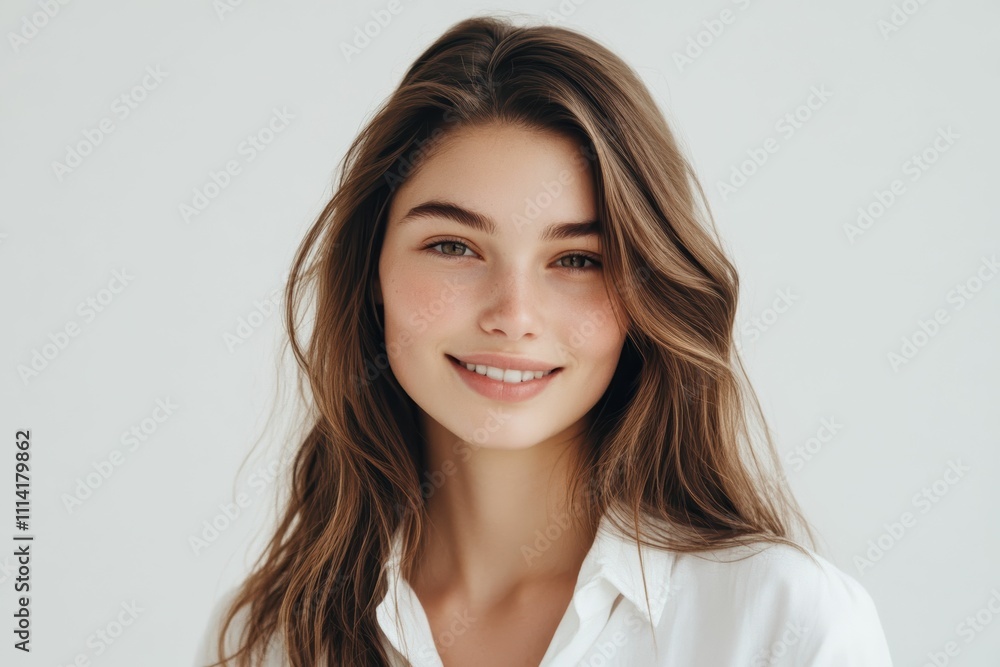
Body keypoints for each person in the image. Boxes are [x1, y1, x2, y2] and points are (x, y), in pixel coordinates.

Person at [196, 13, 893, 666]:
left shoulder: (781, 623)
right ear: (371, 269)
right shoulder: (272, 634)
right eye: (452, 245)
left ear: (647, 293)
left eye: (578, 260)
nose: (514, 314)